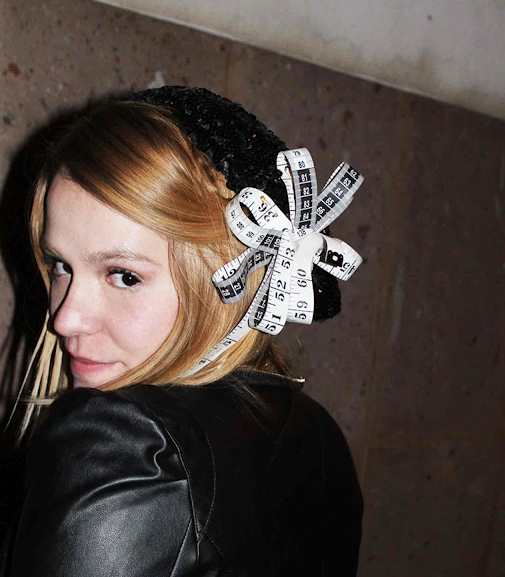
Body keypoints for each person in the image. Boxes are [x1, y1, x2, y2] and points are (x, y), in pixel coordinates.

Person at [3, 86, 364, 576]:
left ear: (223, 275)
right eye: (60, 265)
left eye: (124, 276)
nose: (65, 319)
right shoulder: (319, 436)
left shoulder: (128, 448)